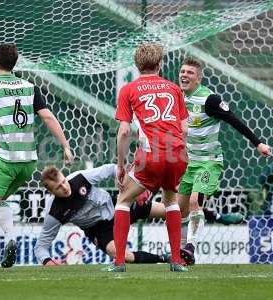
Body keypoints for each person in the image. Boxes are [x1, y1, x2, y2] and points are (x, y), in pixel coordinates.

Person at [0, 43, 74, 273]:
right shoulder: (30, 87)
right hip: (28, 163)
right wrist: (66, 145)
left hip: (5, 160)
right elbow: (48, 117)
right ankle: (11, 237)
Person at [177, 57, 271, 265]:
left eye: (190, 73)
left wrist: (258, 144)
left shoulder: (210, 99)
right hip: (187, 163)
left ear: (198, 78)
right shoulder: (177, 97)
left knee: (195, 201)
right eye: (182, 71)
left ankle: (190, 248)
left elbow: (235, 121)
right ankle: (182, 250)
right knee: (177, 210)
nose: (184, 75)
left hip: (208, 162)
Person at [111, 43, 189, 272]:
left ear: (137, 65)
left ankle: (118, 263)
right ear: (160, 64)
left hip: (151, 155)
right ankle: (176, 261)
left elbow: (124, 131)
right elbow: (184, 129)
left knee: (123, 200)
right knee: (171, 201)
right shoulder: (174, 88)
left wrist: (120, 165)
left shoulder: (129, 90)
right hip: (178, 153)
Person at [35, 164, 170, 266]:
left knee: (169, 212)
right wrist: (47, 261)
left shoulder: (79, 178)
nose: (64, 187)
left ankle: (185, 247)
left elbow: (111, 169)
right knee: (122, 255)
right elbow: (41, 246)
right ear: (51, 192)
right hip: (98, 229)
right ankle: (164, 258)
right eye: (58, 187)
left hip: (116, 206)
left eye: (63, 181)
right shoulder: (54, 212)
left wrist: (124, 182)